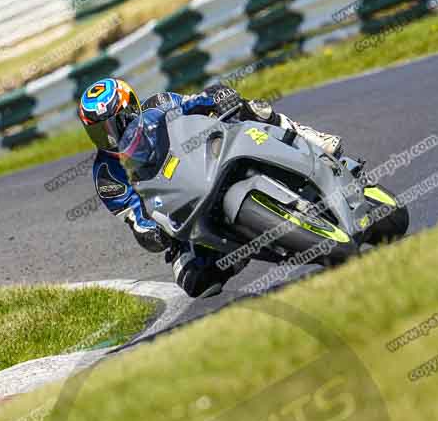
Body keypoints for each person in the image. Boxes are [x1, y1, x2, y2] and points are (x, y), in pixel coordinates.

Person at [78, 77, 343, 297]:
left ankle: (308, 138)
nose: (110, 137)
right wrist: (151, 232)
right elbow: (136, 217)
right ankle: (236, 247)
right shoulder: (106, 174)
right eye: (99, 132)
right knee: (194, 282)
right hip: (181, 207)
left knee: (253, 109)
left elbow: (194, 103)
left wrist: (218, 96)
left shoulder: (158, 104)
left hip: (206, 158)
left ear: (131, 109)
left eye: (114, 125)